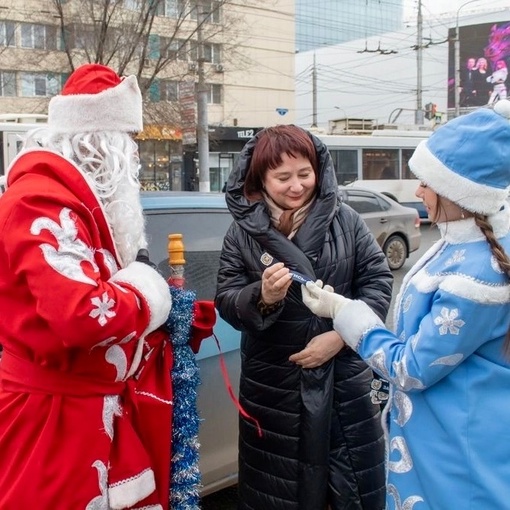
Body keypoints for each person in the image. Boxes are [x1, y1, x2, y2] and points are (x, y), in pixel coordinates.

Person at [301, 101, 510, 509]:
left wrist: (344, 313)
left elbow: (411, 368)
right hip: (446, 438)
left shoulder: (475, 277)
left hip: (457, 455)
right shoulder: (462, 245)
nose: (417, 191)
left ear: (457, 190)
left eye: (426, 182)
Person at [0, 64, 174, 509]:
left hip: (88, 414)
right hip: (49, 424)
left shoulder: (75, 201)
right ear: (103, 145)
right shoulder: (39, 199)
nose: (135, 158)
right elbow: (83, 314)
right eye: (130, 144)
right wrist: (145, 293)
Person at [214, 124, 393, 509]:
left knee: (349, 489)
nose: (296, 186)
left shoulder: (345, 219)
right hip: (274, 387)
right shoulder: (242, 233)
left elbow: (377, 282)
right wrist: (262, 296)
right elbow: (227, 300)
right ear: (260, 178)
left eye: (304, 174)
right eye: (282, 178)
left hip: (344, 381)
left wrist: (342, 336)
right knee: (279, 492)